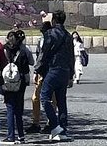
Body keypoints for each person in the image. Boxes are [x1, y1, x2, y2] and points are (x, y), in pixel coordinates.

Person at [34, 10, 74, 142]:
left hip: (53, 69)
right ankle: (63, 129)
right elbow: (71, 56)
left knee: (44, 98)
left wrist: (38, 70)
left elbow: (44, 53)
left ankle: (55, 124)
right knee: (61, 101)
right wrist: (71, 75)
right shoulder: (68, 36)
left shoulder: (50, 33)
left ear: (54, 20)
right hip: (65, 71)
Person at [2, 30, 31, 144]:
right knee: (18, 110)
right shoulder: (23, 51)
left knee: (10, 108)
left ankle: (10, 136)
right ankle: (21, 135)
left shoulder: (4, 50)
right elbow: (28, 66)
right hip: (21, 82)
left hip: (8, 82)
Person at [28, 21, 55, 135]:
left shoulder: (53, 40)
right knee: (36, 97)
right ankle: (36, 122)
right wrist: (37, 70)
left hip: (51, 71)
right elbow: (39, 56)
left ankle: (50, 122)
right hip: (42, 72)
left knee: (52, 98)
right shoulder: (41, 40)